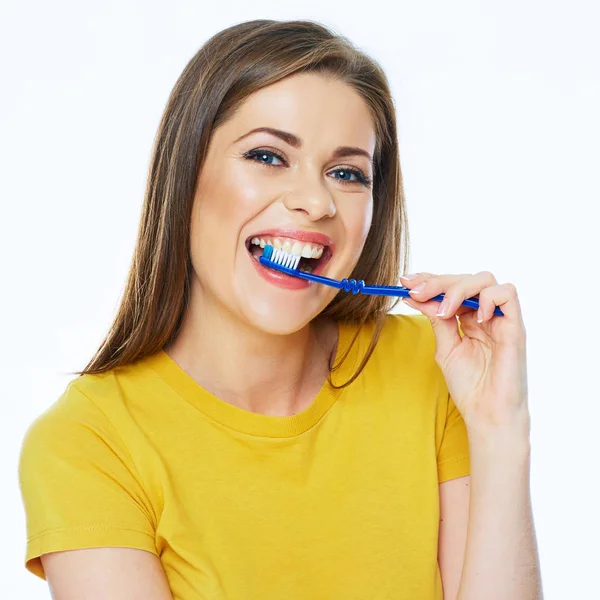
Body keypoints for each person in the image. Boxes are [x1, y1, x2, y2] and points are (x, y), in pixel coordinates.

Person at [18, 18, 542, 600]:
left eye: (346, 173)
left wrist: (499, 431)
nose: (315, 202)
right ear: (186, 174)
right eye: (268, 156)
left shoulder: (432, 369)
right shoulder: (89, 441)